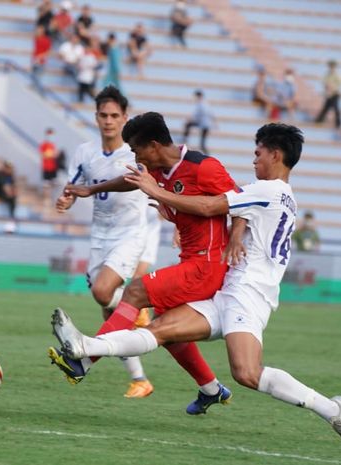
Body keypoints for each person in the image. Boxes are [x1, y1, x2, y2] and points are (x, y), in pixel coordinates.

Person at [51, 122, 341, 447]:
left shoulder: (267, 189)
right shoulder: (282, 196)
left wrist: (156, 191)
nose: (254, 160)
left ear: (276, 154)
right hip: (227, 293)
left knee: (247, 373)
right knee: (162, 329)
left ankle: (333, 409)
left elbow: (212, 206)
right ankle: (86, 349)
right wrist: (225, 233)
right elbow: (235, 213)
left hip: (248, 296)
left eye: (258, 153)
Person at [51, 109, 235, 410]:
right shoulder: (159, 170)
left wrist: (237, 238)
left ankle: (85, 359)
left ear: (153, 145)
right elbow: (132, 180)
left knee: (136, 290)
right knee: (168, 327)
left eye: (137, 150)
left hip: (208, 265)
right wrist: (92, 189)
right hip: (190, 259)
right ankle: (211, 389)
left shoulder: (204, 167)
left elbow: (238, 202)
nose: (136, 158)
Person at [183, 90, 215, 154]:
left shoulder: (201, 104)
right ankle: (185, 139)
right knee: (202, 143)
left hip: (203, 124)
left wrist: (191, 119)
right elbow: (210, 114)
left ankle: (185, 139)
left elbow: (200, 115)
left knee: (202, 144)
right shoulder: (205, 104)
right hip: (204, 124)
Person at [315, 60, 341, 130]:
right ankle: (319, 120)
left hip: (335, 94)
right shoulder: (327, 74)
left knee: (336, 108)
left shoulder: (337, 74)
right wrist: (327, 87)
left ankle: (338, 123)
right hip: (329, 94)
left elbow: (339, 84)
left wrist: (332, 88)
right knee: (326, 108)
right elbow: (324, 82)